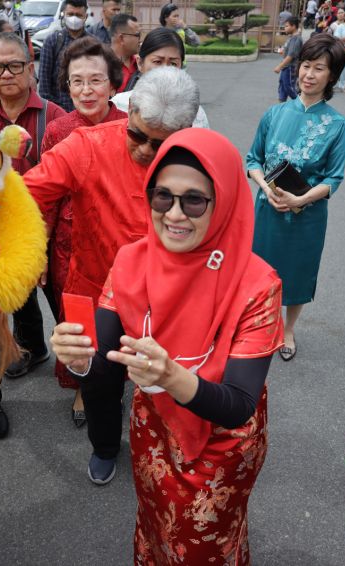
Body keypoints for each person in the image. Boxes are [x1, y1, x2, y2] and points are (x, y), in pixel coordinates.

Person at [50, 128, 284, 563]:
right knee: (156, 523)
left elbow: (237, 405)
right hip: (154, 429)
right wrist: (79, 361)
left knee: (205, 545)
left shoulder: (257, 285)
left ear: (226, 201)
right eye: (162, 197)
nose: (175, 214)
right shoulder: (131, 261)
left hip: (221, 444)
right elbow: (105, 364)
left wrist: (172, 376)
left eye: (194, 200)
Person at [24, 67, 199, 484]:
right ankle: (105, 447)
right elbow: (28, 194)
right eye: (137, 135)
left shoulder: (196, 161)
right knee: (98, 380)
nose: (145, 150)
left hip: (167, 298)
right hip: (90, 289)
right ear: (129, 111)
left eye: (160, 143)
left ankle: (172, 448)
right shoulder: (86, 145)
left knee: (167, 379)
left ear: (185, 131)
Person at [40, 36, 127, 428]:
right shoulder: (59, 130)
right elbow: (45, 197)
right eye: (77, 81)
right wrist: (38, 251)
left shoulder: (130, 127)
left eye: (95, 80)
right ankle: (82, 387)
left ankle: (122, 383)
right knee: (78, 324)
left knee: (122, 323)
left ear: (114, 83)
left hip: (119, 246)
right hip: (68, 248)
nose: (86, 90)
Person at [247, 34, 345, 362]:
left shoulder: (337, 124)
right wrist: (265, 188)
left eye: (319, 68)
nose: (309, 74)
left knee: (298, 273)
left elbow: (334, 178)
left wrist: (299, 201)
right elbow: (253, 160)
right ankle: (260, 324)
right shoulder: (273, 114)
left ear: (331, 76)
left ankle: (288, 329)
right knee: (260, 270)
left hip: (306, 216)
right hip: (267, 209)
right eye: (306, 65)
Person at [0, 32, 66, 385]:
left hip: (52, 226)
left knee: (60, 295)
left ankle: (77, 360)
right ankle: (32, 347)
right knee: (18, 295)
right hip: (2, 228)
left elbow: (65, 182)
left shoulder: (55, 116)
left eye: (14, 65)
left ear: (30, 69)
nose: (6, 74)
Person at [112, 27, 210, 128]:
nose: (165, 70)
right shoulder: (118, 105)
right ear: (140, 63)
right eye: (157, 62)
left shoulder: (194, 113)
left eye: (173, 63)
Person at [38, 0, 93, 112]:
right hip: (58, 110)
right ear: (63, 14)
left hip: (86, 110)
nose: (74, 18)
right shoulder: (52, 41)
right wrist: (53, 111)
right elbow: (44, 83)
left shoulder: (93, 43)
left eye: (78, 15)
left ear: (85, 17)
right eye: (70, 14)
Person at [109, 13, 141, 92]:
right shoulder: (102, 65)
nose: (140, 40)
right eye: (138, 35)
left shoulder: (140, 63)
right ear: (122, 38)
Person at [275, 17, 303, 102]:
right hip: (286, 67)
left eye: (287, 26)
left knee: (289, 86)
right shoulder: (291, 38)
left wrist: (279, 66)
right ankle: (281, 105)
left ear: (293, 26)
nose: (285, 28)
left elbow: (291, 55)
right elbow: (288, 52)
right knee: (283, 86)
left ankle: (301, 103)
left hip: (291, 67)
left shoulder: (296, 39)